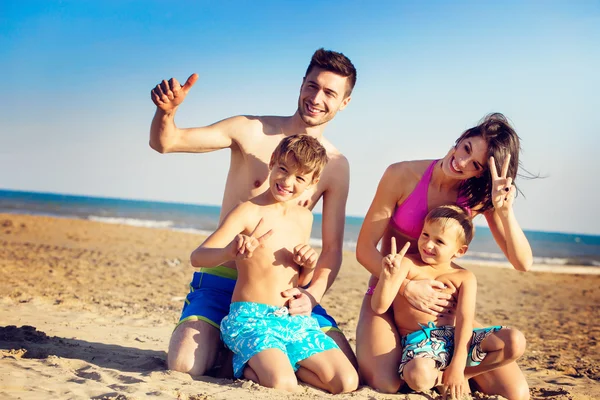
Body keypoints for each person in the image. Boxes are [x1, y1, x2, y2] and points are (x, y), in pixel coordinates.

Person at [150, 48, 358, 376]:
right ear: (301, 83)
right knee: (183, 366)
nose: (317, 98)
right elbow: (167, 142)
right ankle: (237, 347)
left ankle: (251, 355)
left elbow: (332, 250)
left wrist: (311, 296)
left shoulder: (336, 165)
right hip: (222, 278)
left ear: (344, 102)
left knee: (348, 370)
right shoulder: (250, 130)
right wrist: (166, 113)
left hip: (281, 295)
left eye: (330, 92)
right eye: (312, 86)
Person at [356, 113, 532, 400]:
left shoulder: (475, 197)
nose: (462, 163)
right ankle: (434, 368)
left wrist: (504, 210)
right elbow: (363, 249)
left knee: (517, 392)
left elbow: (523, 263)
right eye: (466, 148)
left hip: (442, 317)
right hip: (389, 297)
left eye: (475, 164)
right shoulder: (401, 175)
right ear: (461, 138)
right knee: (387, 384)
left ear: (481, 174)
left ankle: (452, 373)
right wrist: (407, 286)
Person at [189, 135, 358, 393]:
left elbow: (299, 282)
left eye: (300, 178)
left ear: (313, 183)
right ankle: (241, 363)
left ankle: (278, 362)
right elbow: (198, 256)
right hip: (251, 319)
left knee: (346, 382)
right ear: (272, 163)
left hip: (291, 319)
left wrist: (308, 265)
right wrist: (230, 250)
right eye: (283, 169)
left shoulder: (304, 218)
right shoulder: (247, 211)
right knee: (283, 384)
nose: (288, 182)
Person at [372, 205, 524, 399]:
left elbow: (464, 320)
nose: (428, 245)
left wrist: (459, 364)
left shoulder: (464, 277)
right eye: (425, 235)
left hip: (457, 341)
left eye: (439, 241)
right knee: (418, 376)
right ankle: (445, 379)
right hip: (421, 345)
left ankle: (456, 376)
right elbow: (379, 306)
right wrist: (387, 276)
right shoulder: (407, 265)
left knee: (515, 341)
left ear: (459, 251)